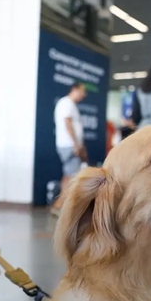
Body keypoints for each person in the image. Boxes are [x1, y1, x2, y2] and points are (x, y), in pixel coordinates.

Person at [51, 82, 87, 216]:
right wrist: (75, 144)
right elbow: (68, 124)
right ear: (75, 89)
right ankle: (60, 205)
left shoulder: (71, 105)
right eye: (82, 91)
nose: (84, 95)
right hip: (69, 145)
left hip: (71, 145)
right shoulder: (66, 103)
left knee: (68, 176)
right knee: (71, 177)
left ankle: (60, 205)